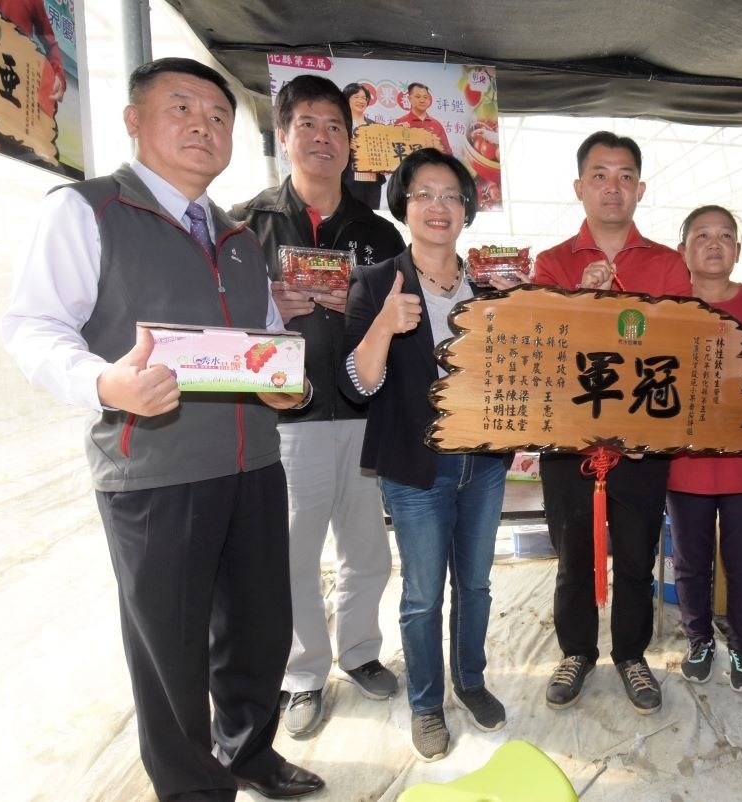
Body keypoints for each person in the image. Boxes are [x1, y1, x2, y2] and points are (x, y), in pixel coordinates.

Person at [2, 57, 323, 800]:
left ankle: (249, 753)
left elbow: (272, 343)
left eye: (218, 118)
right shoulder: (87, 211)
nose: (203, 127)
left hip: (251, 467)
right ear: (133, 120)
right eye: (182, 109)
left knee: (260, 629)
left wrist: (288, 384)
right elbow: (33, 329)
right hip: (153, 472)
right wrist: (105, 382)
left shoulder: (241, 236)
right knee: (169, 653)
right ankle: (192, 789)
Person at [233, 74, 407, 738]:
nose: (321, 138)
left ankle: (360, 652)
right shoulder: (246, 225)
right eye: (306, 124)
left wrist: (358, 306)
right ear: (282, 136)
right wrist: (271, 304)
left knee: (367, 549)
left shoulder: (378, 232)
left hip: (364, 416)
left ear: (351, 143)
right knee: (293, 553)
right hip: (287, 419)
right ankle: (303, 672)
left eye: (335, 127)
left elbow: (403, 322)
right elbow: (223, 325)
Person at [341, 147, 512, 762]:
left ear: (467, 209)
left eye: (450, 195)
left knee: (476, 585)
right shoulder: (374, 283)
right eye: (424, 194)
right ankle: (425, 703)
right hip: (415, 470)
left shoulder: (493, 286)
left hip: (484, 463)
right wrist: (384, 324)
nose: (438, 206)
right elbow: (355, 384)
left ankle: (470, 680)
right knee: (421, 595)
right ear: (404, 206)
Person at [532, 131, 692, 715]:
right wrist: (577, 298)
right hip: (569, 441)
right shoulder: (551, 264)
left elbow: (681, 344)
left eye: (624, 175)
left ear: (640, 189)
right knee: (574, 553)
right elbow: (542, 344)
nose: (612, 187)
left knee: (636, 553)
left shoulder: (668, 264)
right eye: (599, 175)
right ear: (579, 187)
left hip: (644, 441)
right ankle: (575, 649)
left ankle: (630, 653)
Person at [666, 205, 742, 693]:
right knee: (690, 561)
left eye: (725, 236)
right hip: (682, 461)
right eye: (701, 235)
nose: (714, 244)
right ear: (683, 250)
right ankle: (698, 639)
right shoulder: (664, 307)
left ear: (738, 250)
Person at [339, 82, 386, 209]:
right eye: (356, 97)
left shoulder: (374, 126)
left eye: (364, 98)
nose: (361, 101)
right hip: (347, 179)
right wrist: (345, 144)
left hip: (372, 181)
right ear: (346, 99)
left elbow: (383, 151)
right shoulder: (339, 125)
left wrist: (385, 164)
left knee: (371, 216)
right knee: (348, 214)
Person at [394, 82, 452, 154]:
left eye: (425, 97)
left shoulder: (436, 124)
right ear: (409, 98)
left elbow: (447, 152)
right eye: (418, 97)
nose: (422, 100)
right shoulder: (400, 123)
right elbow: (394, 151)